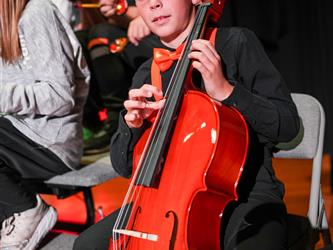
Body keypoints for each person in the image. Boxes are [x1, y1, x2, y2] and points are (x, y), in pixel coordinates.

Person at [73, 0, 300, 249]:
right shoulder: (147, 73)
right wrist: (133, 126)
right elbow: (124, 167)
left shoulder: (235, 44)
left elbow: (287, 126)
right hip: (162, 203)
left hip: (247, 199)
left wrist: (227, 91)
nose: (153, 4)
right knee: (87, 245)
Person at [0, 0, 89, 249]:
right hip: (20, 132)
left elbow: (61, 96)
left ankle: (27, 210)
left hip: (52, 141)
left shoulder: (37, 13)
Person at [76, 0, 160, 154]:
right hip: (141, 36)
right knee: (77, 39)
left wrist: (144, 16)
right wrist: (118, 11)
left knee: (101, 34)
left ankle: (115, 119)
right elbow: (121, 19)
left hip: (172, 40)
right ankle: (93, 121)